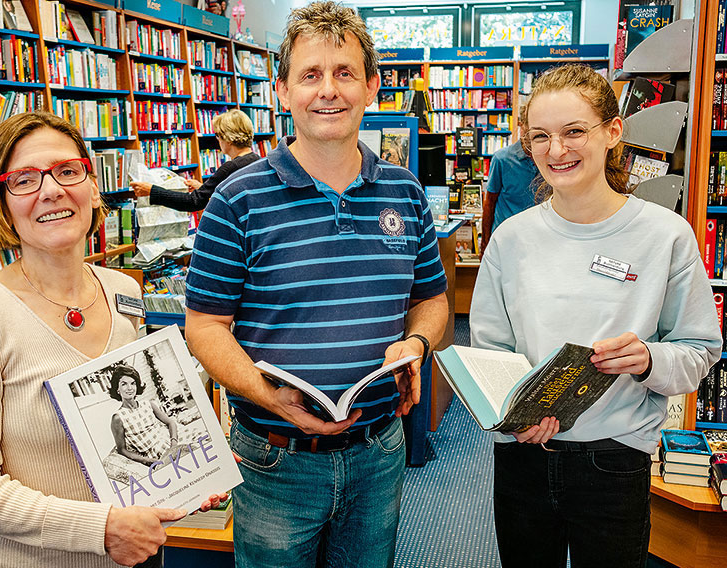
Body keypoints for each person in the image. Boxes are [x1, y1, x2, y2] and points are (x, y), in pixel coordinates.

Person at [184, 2, 449, 567]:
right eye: (310, 75)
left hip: (380, 451)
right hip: (275, 457)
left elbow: (431, 298)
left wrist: (419, 344)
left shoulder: (405, 192)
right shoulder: (236, 200)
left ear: (373, 86)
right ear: (282, 89)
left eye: (345, 73)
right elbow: (204, 326)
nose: (328, 90)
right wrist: (261, 392)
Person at [0, 112, 224, 568]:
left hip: (144, 558)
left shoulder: (122, 289)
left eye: (67, 171)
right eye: (24, 179)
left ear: (90, 184)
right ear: (1, 201)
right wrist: (102, 529)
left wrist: (185, 482)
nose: (52, 190)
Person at [469, 63, 722, 567]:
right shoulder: (512, 239)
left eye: (574, 132)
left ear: (612, 132)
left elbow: (699, 350)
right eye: (539, 136)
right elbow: (488, 353)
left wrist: (648, 358)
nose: (556, 150)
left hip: (615, 459)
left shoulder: (665, 236)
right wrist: (511, 415)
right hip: (524, 455)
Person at [129, 109, 260, 212]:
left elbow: (193, 202)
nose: (218, 140)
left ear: (229, 138)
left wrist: (151, 191)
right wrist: (203, 188)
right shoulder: (257, 160)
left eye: (218, 136)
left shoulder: (231, 167)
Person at [480, 116, 539, 254]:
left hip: (538, 241)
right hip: (506, 242)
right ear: (521, 125)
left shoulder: (550, 159)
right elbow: (490, 202)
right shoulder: (502, 159)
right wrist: (485, 243)